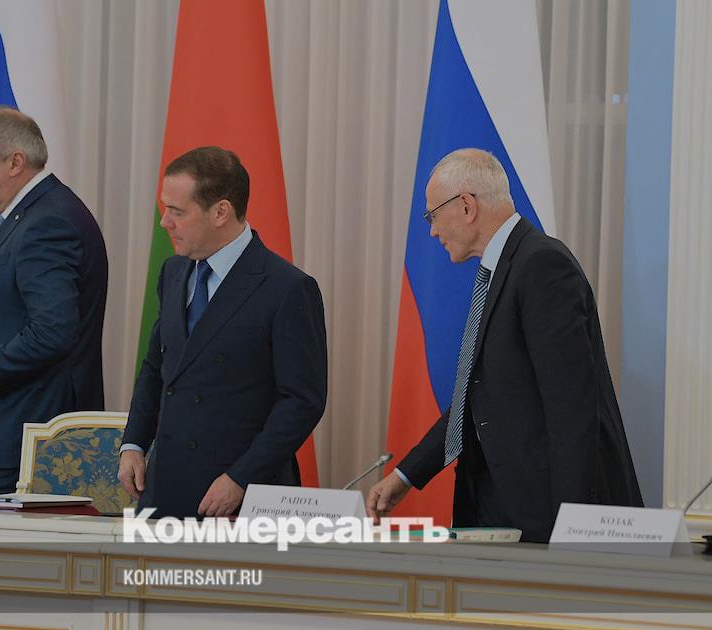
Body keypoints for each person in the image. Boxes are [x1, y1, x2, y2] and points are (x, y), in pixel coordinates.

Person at [366, 148, 642, 543]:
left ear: (466, 206)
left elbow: (571, 407)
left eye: (432, 216)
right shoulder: (501, 271)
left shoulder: (542, 265)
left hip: (547, 516)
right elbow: (477, 398)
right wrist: (406, 474)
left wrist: (574, 528)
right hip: (498, 507)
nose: (432, 231)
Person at [118, 146, 327, 518]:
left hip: (241, 495)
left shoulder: (287, 288)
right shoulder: (173, 271)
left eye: (177, 211)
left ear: (220, 212)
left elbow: (301, 402)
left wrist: (241, 478)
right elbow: (156, 368)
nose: (165, 222)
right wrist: (134, 442)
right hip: (165, 489)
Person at [0, 105, 108, 496]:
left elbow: (53, 332)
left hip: (30, 446)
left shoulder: (48, 222)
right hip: (14, 438)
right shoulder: (35, 215)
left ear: (15, 162)